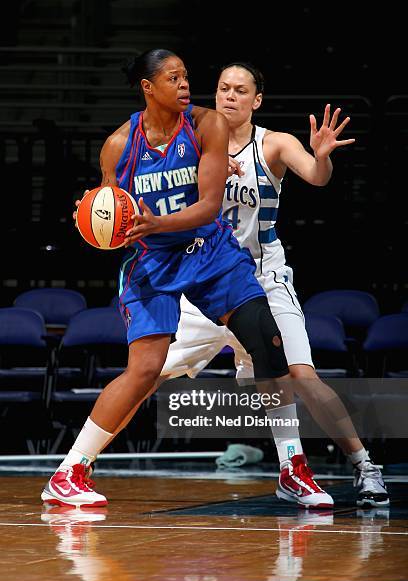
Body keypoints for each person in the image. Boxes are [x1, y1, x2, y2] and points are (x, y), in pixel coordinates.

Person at [42, 49, 328, 508]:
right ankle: (70, 470)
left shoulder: (206, 124)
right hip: (154, 262)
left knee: (264, 336)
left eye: (186, 76)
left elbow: (209, 207)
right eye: (173, 78)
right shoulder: (120, 145)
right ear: (148, 87)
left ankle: (292, 467)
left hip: (210, 251)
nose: (184, 86)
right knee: (145, 370)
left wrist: (155, 222)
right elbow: (109, 212)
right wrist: (93, 215)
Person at [109, 62, 389, 508]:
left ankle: (363, 466)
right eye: (222, 88)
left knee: (300, 374)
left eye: (241, 90)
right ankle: (76, 467)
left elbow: (317, 178)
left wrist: (321, 157)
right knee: (145, 374)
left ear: (256, 100)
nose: (229, 97)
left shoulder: (274, 143)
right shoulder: (194, 140)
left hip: (260, 276)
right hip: (203, 278)